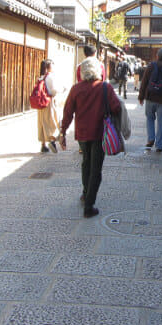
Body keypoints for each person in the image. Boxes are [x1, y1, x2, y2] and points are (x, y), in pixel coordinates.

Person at [60, 58, 121, 218]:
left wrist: (63, 132)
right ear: (98, 71)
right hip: (100, 133)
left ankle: (86, 192)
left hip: (82, 133)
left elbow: (67, 112)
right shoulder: (105, 87)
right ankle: (89, 205)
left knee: (86, 162)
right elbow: (116, 107)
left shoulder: (76, 89)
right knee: (96, 169)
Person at [138, 48, 162, 152]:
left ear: (157, 56)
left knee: (150, 119)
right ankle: (159, 146)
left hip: (150, 97)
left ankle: (151, 138)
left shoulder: (151, 66)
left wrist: (141, 97)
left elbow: (144, 82)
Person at [37, 59, 65, 153]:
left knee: (42, 123)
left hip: (41, 103)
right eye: (52, 65)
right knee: (51, 122)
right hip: (49, 102)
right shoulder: (50, 77)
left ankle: (43, 144)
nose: (54, 67)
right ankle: (52, 141)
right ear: (49, 67)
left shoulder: (41, 77)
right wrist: (62, 89)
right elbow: (53, 90)